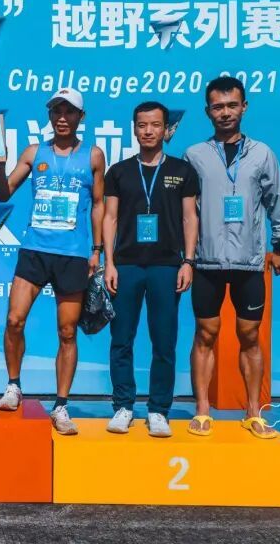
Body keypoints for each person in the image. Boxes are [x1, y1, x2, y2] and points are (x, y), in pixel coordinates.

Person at [0, 88, 105, 435]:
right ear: (50, 115)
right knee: (14, 320)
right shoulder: (34, 152)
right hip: (35, 251)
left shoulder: (93, 156)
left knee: (67, 332)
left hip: (72, 254)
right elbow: (4, 193)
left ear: (81, 117)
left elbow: (99, 204)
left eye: (69, 112)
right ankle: (13, 385)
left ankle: (61, 405)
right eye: (56, 111)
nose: (62, 118)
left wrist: (97, 250)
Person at [184, 76, 280, 440]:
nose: (225, 112)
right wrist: (185, 257)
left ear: (244, 107)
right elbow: (187, 212)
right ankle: (202, 410)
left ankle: (252, 412)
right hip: (207, 261)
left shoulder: (262, 153)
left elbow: (277, 201)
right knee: (205, 334)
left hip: (248, 261)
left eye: (232, 105)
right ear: (208, 111)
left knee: (249, 335)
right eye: (218, 106)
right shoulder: (194, 155)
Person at [102, 101, 199, 438]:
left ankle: (159, 410)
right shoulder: (119, 171)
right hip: (126, 265)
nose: (148, 131)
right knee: (121, 339)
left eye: (155, 125)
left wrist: (188, 261)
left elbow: (190, 218)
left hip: (167, 266)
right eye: (142, 125)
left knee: (164, 341)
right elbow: (110, 218)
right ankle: (123, 406)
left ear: (166, 129)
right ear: (134, 128)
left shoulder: (182, 171)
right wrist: (109, 263)